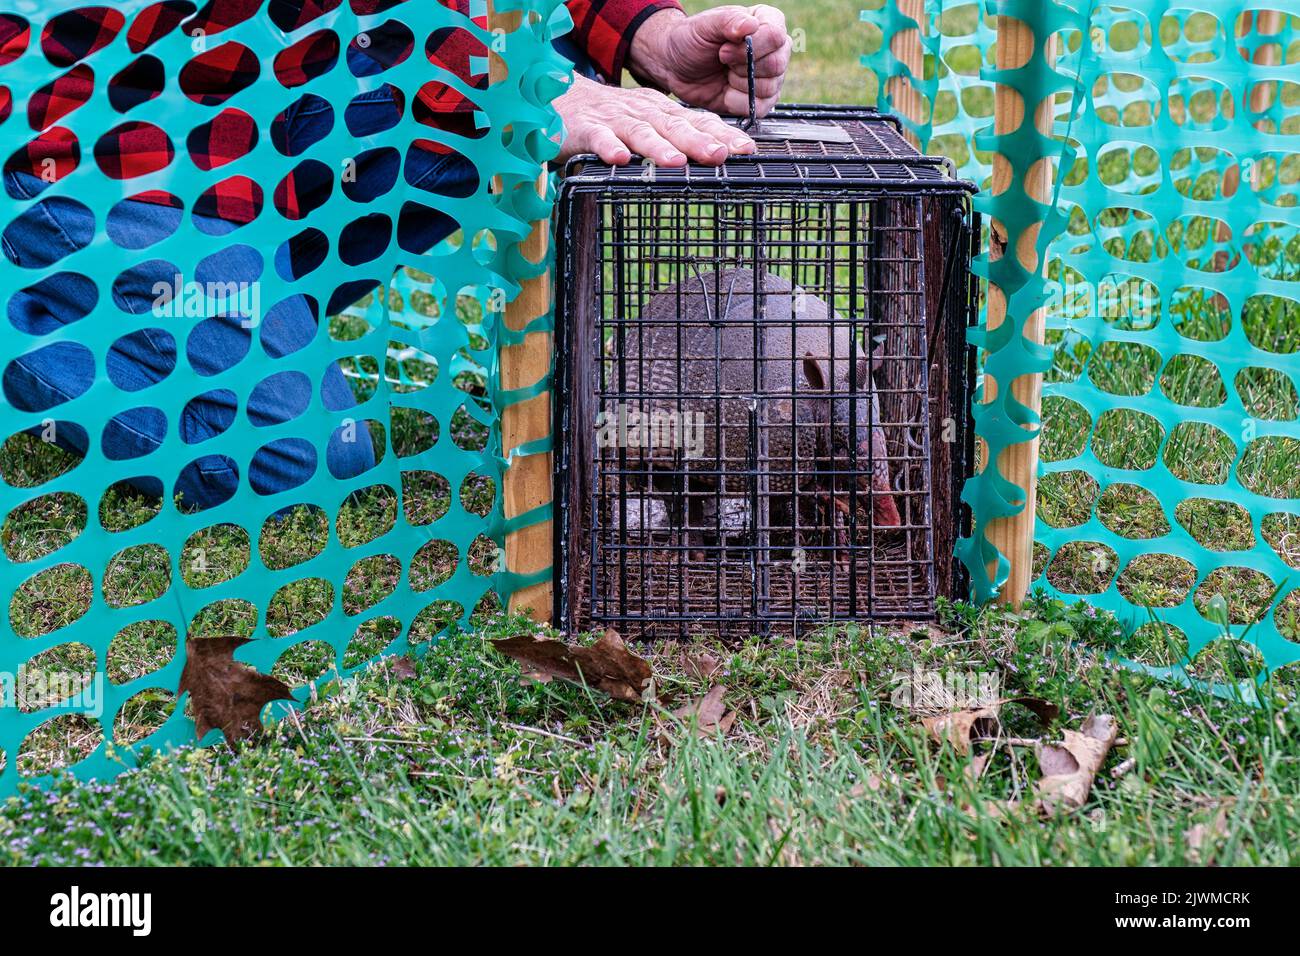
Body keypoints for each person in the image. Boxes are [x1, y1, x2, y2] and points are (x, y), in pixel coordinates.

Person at [1, 1, 791, 510]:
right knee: (302, 455)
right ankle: (28, 330)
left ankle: (228, 309)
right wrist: (519, 81)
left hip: (251, 128)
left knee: (529, 96)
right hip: (84, 149)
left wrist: (647, 34)